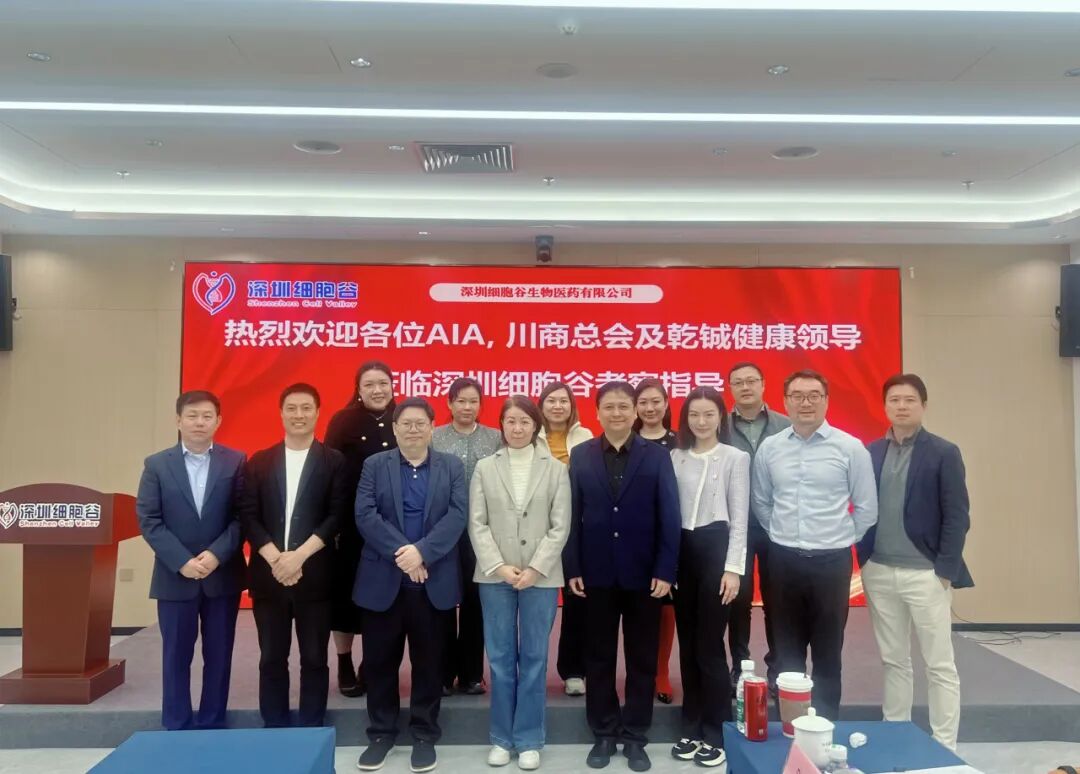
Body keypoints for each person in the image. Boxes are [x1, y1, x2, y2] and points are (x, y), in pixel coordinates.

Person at [564, 381, 681, 772]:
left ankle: (634, 735)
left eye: (623, 407)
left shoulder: (657, 456)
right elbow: (571, 515)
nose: (616, 413)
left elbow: (670, 515)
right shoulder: (581, 455)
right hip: (594, 573)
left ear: (635, 412)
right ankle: (603, 732)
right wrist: (572, 566)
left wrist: (665, 569)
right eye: (609, 407)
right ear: (597, 412)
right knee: (598, 658)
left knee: (642, 659)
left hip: (644, 575)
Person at [752, 370, 877, 721]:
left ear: (826, 400)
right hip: (783, 561)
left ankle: (824, 727)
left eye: (813, 395)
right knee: (786, 651)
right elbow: (761, 501)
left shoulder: (850, 448)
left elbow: (866, 508)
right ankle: (792, 727)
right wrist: (782, 534)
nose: (805, 402)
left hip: (831, 563)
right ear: (785, 401)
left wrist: (837, 538)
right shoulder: (771, 448)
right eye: (797, 396)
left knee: (827, 651)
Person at [856, 374, 972, 751]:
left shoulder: (944, 452)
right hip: (879, 570)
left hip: (926, 574)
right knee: (894, 661)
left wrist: (944, 572)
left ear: (923, 405)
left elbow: (957, 516)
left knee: (939, 664)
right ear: (885, 406)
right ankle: (896, 735)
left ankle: (945, 746)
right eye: (894, 400)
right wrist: (863, 560)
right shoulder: (871, 452)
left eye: (909, 400)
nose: (901, 406)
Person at [354, 397, 468, 774]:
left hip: (432, 580)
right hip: (383, 580)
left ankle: (424, 734)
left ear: (432, 428)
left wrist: (422, 553)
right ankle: (381, 734)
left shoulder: (452, 466)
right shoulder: (375, 465)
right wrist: (404, 554)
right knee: (379, 662)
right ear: (395, 428)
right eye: (406, 423)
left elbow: (457, 515)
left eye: (421, 423)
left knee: (430, 664)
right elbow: (365, 515)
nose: (413, 430)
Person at [469, 395, 572, 771]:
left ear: (535, 426)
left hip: (540, 578)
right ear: (501, 425)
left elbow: (560, 525)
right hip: (494, 575)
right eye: (510, 421)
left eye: (524, 422)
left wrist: (536, 568)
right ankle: (501, 738)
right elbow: (476, 522)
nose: (517, 428)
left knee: (533, 658)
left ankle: (529, 739)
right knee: (499, 659)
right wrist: (498, 566)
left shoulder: (555, 469)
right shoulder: (485, 467)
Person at [135, 390, 246, 731]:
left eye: (207, 416)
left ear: (218, 421)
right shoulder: (156, 464)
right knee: (175, 656)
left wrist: (216, 554)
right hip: (174, 576)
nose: (200, 422)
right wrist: (182, 561)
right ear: (178, 420)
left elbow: (242, 516)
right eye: (192, 415)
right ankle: (177, 723)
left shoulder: (235, 461)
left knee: (219, 655)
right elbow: (149, 519)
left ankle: (213, 720)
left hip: (221, 575)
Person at [240, 383, 348, 728]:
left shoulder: (333, 461)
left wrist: (298, 557)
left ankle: (311, 724)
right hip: (268, 576)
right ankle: (274, 723)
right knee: (272, 656)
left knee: (314, 657)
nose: (298, 415)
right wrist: (277, 559)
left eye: (306, 408)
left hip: (315, 576)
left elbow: (337, 515)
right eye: (291, 408)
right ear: (281, 413)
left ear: (317, 413)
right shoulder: (260, 461)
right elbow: (248, 515)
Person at [668, 387, 749, 768]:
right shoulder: (675, 457)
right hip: (682, 551)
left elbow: (740, 518)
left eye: (709, 414)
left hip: (716, 550)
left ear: (721, 417)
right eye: (694, 415)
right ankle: (691, 726)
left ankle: (717, 732)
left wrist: (733, 569)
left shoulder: (735, 457)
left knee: (710, 646)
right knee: (687, 645)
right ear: (685, 419)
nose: (701, 421)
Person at [324, 360, 398, 698]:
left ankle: (372, 663)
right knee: (345, 598)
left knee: (383, 598)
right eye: (369, 384)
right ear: (358, 388)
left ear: (392, 385)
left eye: (383, 383)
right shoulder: (343, 421)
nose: (377, 390)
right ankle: (344, 661)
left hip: (393, 528)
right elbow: (330, 473)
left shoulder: (404, 417)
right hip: (350, 528)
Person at [431, 376, 502, 696]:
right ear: (449, 403)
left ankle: (472, 674)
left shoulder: (495, 438)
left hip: (482, 532)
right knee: (443, 602)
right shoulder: (434, 437)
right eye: (461, 401)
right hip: (443, 530)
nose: (467, 407)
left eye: (473, 401)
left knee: (477, 602)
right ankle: (444, 674)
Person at [725, 362, 790, 693]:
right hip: (734, 526)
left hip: (777, 525)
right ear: (730, 388)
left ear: (764, 384)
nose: (745, 387)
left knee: (778, 599)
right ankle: (739, 665)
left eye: (751, 381)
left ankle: (778, 667)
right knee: (738, 599)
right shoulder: (719, 426)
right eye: (738, 382)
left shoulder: (785, 425)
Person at [538, 381, 594, 698]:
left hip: (576, 529)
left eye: (564, 401)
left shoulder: (586, 437)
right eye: (551, 400)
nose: (558, 406)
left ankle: (574, 671)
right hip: (537, 530)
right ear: (541, 405)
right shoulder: (529, 436)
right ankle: (531, 668)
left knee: (577, 601)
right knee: (537, 603)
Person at [632, 378, 678, 705]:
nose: (650, 408)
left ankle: (661, 671)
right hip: (637, 537)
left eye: (655, 401)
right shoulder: (628, 441)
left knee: (667, 606)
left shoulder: (681, 443)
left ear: (666, 404)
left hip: (674, 532)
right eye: (643, 402)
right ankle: (640, 671)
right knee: (639, 610)